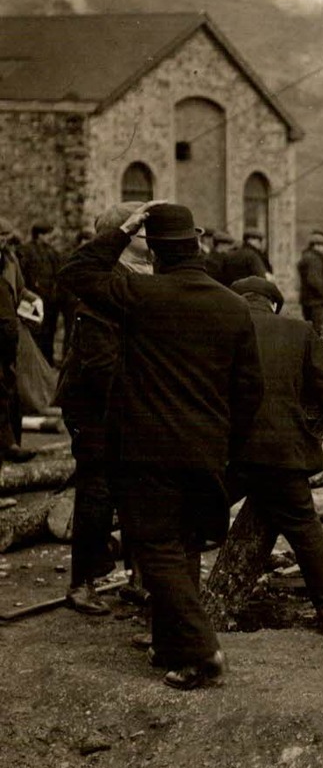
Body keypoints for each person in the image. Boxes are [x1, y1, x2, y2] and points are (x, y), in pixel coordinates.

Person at [60, 201, 264, 689]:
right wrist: (227, 446)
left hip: (147, 451)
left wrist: (122, 231)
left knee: (156, 551)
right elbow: (250, 392)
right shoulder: (233, 307)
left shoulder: (140, 293)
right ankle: (172, 646)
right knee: (185, 548)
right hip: (205, 451)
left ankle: (201, 648)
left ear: (153, 250)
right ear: (196, 246)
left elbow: (77, 272)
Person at [228, 276, 323, 633]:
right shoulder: (297, 331)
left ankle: (164, 605)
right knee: (303, 527)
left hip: (227, 453)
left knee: (188, 519)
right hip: (281, 452)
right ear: (273, 304)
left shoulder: (219, 329)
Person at [55, 204, 154, 614]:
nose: (153, 240)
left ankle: (138, 574)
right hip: (98, 405)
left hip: (128, 403)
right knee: (96, 492)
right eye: (146, 233)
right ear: (126, 236)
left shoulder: (143, 276)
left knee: (136, 488)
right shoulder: (105, 279)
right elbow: (100, 366)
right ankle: (82, 584)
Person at [0, 220, 30, 464]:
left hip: (9, 331)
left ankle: (12, 443)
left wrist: (32, 300)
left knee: (10, 386)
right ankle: (8, 444)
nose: (3, 241)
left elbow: (20, 290)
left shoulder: (10, 261)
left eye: (5, 237)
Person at [19, 224, 62, 365]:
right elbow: (23, 276)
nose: (51, 238)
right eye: (48, 234)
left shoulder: (52, 253)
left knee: (49, 331)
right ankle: (34, 362)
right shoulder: (25, 251)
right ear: (39, 235)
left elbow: (58, 274)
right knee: (35, 331)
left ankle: (46, 361)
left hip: (50, 300)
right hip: (33, 299)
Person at [297, 229, 323, 330]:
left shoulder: (306, 256)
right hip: (316, 301)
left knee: (310, 328)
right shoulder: (314, 259)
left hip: (308, 300)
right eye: (322, 245)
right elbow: (314, 280)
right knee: (317, 329)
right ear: (316, 245)